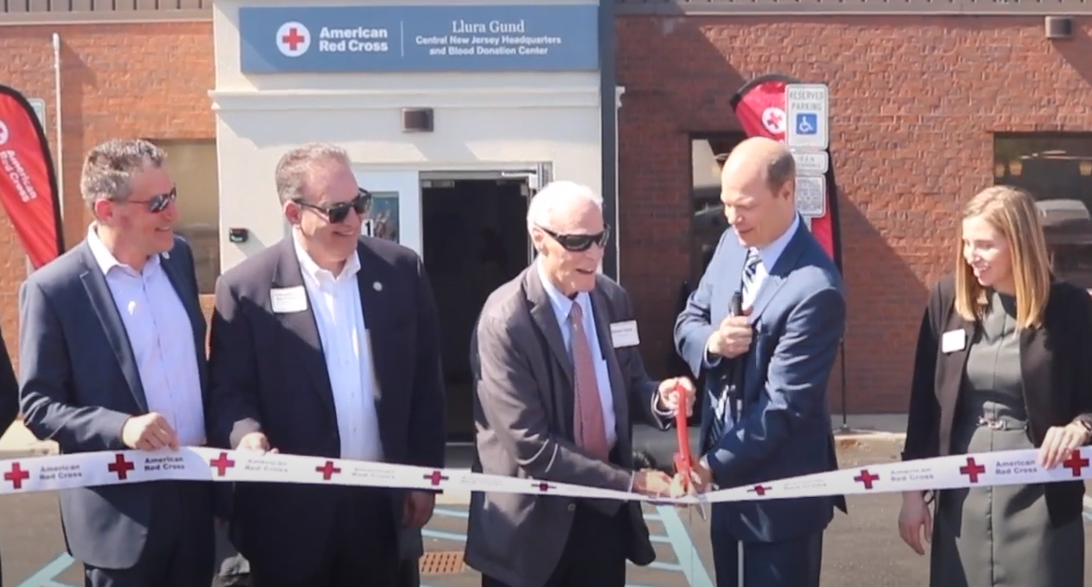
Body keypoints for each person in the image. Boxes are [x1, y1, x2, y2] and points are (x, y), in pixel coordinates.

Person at [208, 142, 446, 587]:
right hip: (290, 519)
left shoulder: (399, 272)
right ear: (294, 213)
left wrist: (423, 476)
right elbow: (229, 392)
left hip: (381, 510)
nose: (354, 220)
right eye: (338, 211)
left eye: (359, 204)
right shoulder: (246, 289)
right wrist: (246, 436)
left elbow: (425, 386)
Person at [464, 180, 697, 587]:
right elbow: (531, 446)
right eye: (577, 242)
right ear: (539, 238)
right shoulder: (505, 321)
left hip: (602, 516)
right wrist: (631, 481)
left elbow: (630, 380)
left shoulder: (613, 299)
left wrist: (662, 399)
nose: (593, 254)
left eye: (600, 238)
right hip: (531, 526)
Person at [18, 138, 216, 587]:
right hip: (122, 521)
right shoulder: (55, 289)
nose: (174, 213)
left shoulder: (178, 258)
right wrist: (120, 427)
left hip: (194, 501)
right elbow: (38, 404)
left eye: (173, 195)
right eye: (158, 202)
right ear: (107, 211)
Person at [672, 136, 846, 587]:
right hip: (726, 492)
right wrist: (712, 343)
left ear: (786, 192)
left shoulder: (815, 287)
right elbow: (688, 319)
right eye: (726, 203)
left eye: (744, 205)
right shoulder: (732, 244)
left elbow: (783, 406)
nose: (732, 217)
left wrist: (711, 465)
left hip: (780, 506)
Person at [898, 185, 1092, 587]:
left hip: (1041, 498)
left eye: (985, 245)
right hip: (962, 498)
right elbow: (923, 406)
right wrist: (912, 493)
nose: (971, 256)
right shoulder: (947, 299)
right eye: (967, 243)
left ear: (1019, 244)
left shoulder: (1071, 308)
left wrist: (1081, 426)